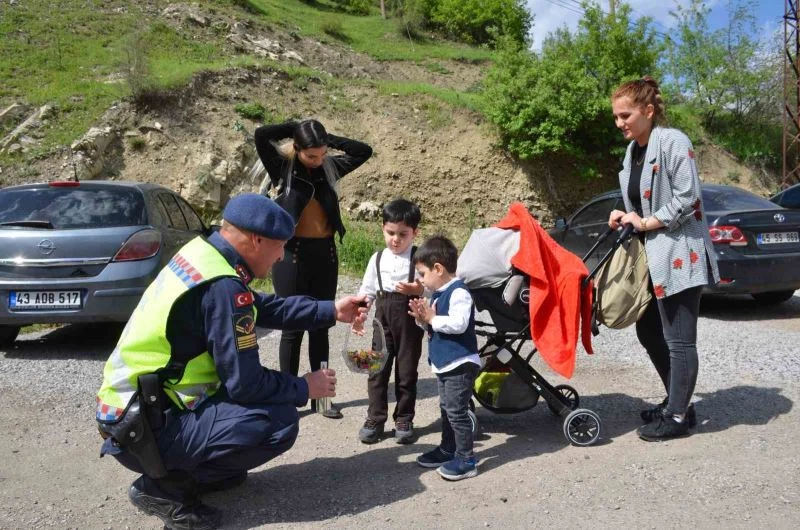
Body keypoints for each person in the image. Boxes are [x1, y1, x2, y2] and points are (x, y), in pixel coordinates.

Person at [95, 193, 368, 530]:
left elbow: (262, 307)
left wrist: (330, 310)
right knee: (280, 419)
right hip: (145, 429)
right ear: (255, 240)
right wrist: (304, 387)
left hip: (131, 412)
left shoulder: (204, 255)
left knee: (261, 412)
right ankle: (164, 488)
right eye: (280, 245)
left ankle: (192, 470)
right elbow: (246, 383)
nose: (282, 255)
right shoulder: (223, 287)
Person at [607, 76, 720, 442]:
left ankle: (677, 415)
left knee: (679, 340)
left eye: (625, 115)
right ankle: (679, 402)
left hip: (680, 255)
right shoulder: (632, 152)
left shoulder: (672, 141)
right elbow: (638, 203)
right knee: (650, 329)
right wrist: (623, 215)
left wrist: (647, 221)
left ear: (649, 111)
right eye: (616, 117)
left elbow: (689, 198)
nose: (619, 123)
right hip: (655, 255)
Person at [254, 119, 373, 419]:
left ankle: (321, 400)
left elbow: (363, 151)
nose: (318, 161)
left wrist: (327, 139)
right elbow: (262, 134)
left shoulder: (328, 168)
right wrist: (296, 126)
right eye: (311, 156)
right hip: (291, 254)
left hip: (325, 253)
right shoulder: (282, 168)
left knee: (321, 326)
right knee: (292, 328)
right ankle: (287, 398)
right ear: (296, 148)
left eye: (322, 154)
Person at [408, 235, 481, 480]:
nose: (420, 280)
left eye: (422, 273)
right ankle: (448, 448)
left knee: (457, 412)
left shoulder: (459, 292)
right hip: (445, 364)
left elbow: (459, 324)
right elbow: (436, 327)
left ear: (438, 268)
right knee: (447, 409)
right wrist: (422, 320)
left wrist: (431, 319)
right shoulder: (439, 293)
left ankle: (467, 458)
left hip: (460, 363)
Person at [354, 199, 425, 444]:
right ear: (383, 228)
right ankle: (375, 417)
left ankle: (404, 417)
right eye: (390, 233)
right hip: (381, 322)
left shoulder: (419, 259)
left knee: (406, 373)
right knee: (376, 370)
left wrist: (419, 288)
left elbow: (434, 288)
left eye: (403, 234)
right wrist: (361, 314)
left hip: (409, 322)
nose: (396, 239)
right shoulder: (377, 259)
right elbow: (367, 292)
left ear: (415, 233)